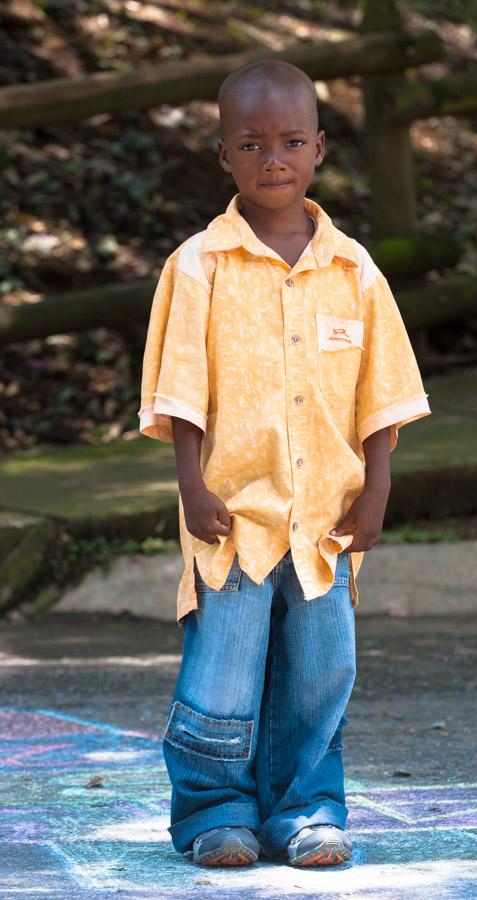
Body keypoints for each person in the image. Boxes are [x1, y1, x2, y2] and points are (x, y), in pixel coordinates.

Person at [137, 57, 431, 868]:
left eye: (292, 142)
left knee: (320, 672)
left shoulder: (355, 271)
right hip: (233, 516)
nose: (274, 160)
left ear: (321, 149)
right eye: (253, 144)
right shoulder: (199, 266)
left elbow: (382, 393)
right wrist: (191, 485)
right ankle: (211, 812)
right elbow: (180, 392)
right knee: (224, 676)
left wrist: (376, 491)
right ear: (223, 155)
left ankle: (305, 810)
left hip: (326, 525)